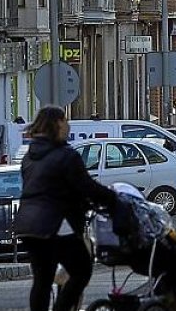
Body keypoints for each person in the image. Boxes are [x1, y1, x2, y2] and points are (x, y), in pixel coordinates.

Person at [12, 106, 118, 311]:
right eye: (66, 121)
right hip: (55, 224)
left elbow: (49, 188)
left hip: (28, 224)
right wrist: (113, 199)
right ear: (58, 123)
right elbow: (87, 187)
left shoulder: (29, 156)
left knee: (42, 279)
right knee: (81, 270)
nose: (68, 126)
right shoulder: (66, 156)